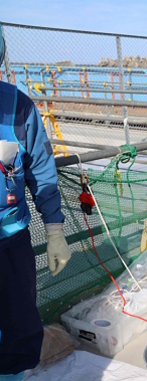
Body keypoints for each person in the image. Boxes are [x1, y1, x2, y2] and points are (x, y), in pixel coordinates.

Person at [0, 23, 71, 381]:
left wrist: (55, 230)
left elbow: (42, 172)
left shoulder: (19, 107)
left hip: (11, 240)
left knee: (19, 329)